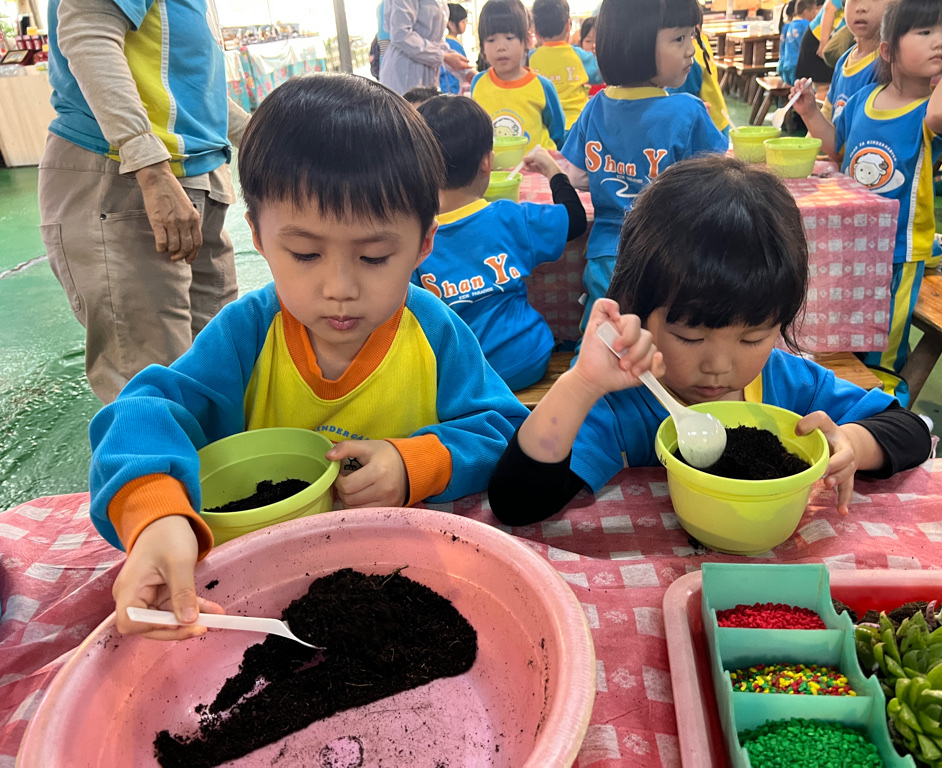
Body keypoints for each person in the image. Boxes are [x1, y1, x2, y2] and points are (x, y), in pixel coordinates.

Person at [93, 75, 529, 641]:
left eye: (374, 257)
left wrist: (413, 463)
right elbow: (142, 413)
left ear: (424, 242)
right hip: (260, 594)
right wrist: (157, 514)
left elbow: (501, 427)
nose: (339, 288)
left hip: (402, 582)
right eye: (304, 253)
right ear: (258, 235)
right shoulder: (247, 334)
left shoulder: (434, 332)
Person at [487, 156, 932, 525]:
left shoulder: (789, 384)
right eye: (689, 336)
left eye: (752, 338)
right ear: (637, 310)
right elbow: (516, 503)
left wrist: (851, 442)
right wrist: (582, 385)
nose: (719, 365)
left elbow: (909, 429)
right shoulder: (621, 406)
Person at [39, 0, 251, 405]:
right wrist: (150, 168)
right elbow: (88, 30)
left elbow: (191, 92)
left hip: (195, 177)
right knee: (151, 379)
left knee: (217, 363)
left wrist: (266, 136)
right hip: (127, 176)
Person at [793, 0, 942, 406]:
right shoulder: (864, 99)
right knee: (846, 328)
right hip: (853, 243)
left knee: (884, 343)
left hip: (900, 251)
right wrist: (808, 113)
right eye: (926, 32)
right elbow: (836, 147)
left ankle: (888, 411)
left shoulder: (930, 111)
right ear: (888, 50)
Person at [560, 0, 728, 331]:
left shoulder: (595, 107)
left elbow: (577, 176)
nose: (691, 50)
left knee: (603, 334)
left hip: (604, 253)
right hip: (669, 255)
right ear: (635, 43)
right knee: (662, 339)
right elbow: (717, 182)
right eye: (679, 38)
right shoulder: (687, 111)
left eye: (691, 37)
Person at [413, 96, 587, 389]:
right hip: (528, 357)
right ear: (487, 163)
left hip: (459, 375)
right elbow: (576, 220)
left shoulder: (413, 236)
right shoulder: (511, 218)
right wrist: (552, 170)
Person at [471, 0, 567, 151]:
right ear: (482, 46)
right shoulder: (478, 83)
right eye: (491, 40)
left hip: (536, 166)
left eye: (509, 37)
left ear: (527, 41)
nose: (500, 47)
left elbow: (558, 134)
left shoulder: (542, 86)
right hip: (495, 166)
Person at [529, 0, 602, 128]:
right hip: (577, 124)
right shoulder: (579, 56)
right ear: (568, 25)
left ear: (536, 31)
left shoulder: (529, 59)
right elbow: (600, 75)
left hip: (544, 125)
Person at [380, 0, 471, 94]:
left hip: (427, 72)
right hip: (405, 69)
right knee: (408, 101)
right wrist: (443, 56)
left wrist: (467, 72)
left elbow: (436, 40)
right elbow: (401, 34)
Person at [822, 0, 888, 121]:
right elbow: (828, 113)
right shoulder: (843, 60)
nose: (861, 8)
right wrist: (809, 112)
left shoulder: (890, 65)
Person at [668, 28, 732, 135]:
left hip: (705, 127)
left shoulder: (687, 59)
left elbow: (683, 104)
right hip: (717, 118)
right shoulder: (700, 41)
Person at [796, 0, 844, 83]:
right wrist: (824, 44)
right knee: (823, 85)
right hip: (818, 38)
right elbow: (830, 8)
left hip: (834, 42)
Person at [780, 0, 818, 85]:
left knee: (792, 89)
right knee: (800, 88)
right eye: (814, 11)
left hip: (787, 63)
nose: (815, 14)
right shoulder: (806, 24)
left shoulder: (790, 25)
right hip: (798, 64)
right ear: (806, 12)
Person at [440, 3, 474, 94]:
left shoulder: (451, 42)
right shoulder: (452, 44)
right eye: (463, 22)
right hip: (450, 89)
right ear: (451, 24)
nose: (465, 24)